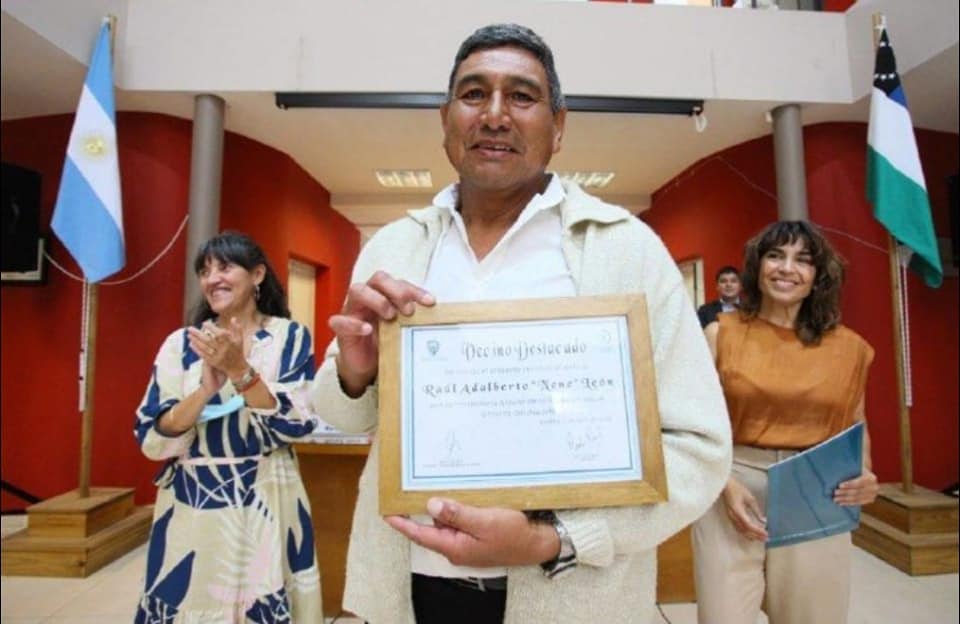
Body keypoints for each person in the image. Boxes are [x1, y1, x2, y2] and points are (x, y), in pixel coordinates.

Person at [310, 23, 731, 624]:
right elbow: (344, 415)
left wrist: (553, 538)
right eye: (473, 94)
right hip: (410, 586)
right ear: (445, 120)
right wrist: (356, 373)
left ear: (558, 126)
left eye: (522, 96)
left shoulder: (626, 251)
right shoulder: (395, 248)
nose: (495, 115)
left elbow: (700, 449)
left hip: (574, 597)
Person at [693, 220, 880, 624]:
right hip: (733, 487)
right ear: (757, 267)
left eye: (803, 260)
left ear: (818, 277)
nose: (786, 268)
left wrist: (864, 473)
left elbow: (856, 422)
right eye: (775, 256)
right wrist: (723, 482)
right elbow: (695, 423)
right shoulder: (719, 334)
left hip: (817, 490)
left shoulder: (849, 348)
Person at [134, 231, 322, 622]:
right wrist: (205, 391)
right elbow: (153, 435)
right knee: (193, 602)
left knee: (264, 602)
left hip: (268, 494)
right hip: (192, 500)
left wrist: (240, 371)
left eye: (224, 267)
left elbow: (297, 423)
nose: (212, 279)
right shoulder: (181, 345)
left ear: (257, 275)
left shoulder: (289, 338)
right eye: (204, 271)